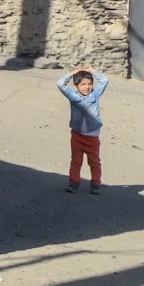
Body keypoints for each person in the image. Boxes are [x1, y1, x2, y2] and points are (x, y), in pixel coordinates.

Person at [56, 64, 108, 194]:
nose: (87, 87)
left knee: (94, 162)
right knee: (76, 161)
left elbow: (104, 81)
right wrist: (74, 72)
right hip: (77, 136)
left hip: (92, 138)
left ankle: (95, 183)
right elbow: (60, 83)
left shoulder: (95, 95)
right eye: (83, 84)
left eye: (89, 84)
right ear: (76, 86)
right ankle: (74, 182)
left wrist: (92, 71)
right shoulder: (72, 96)